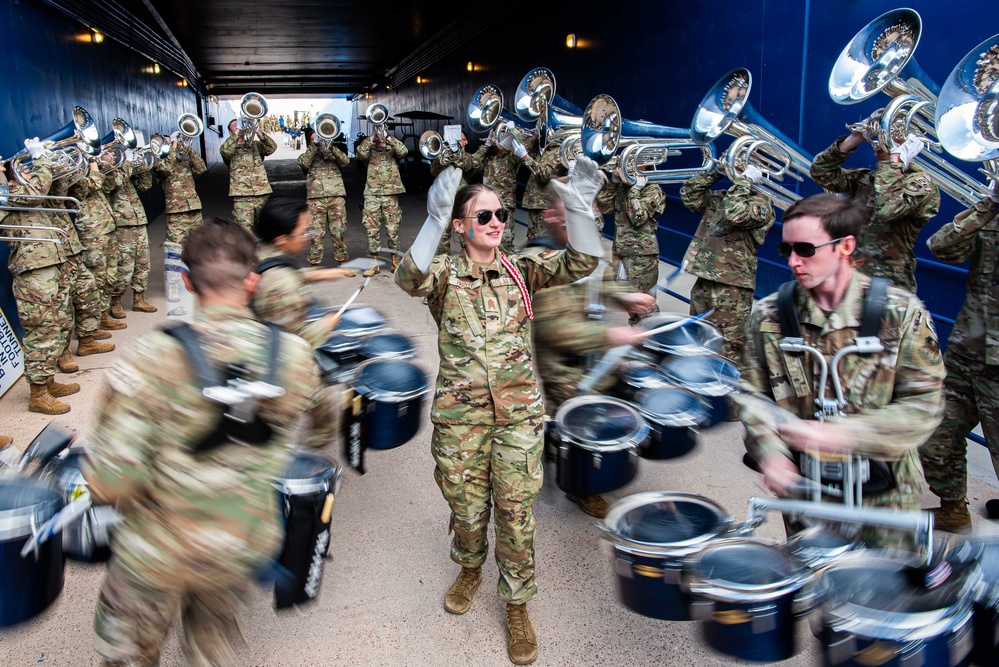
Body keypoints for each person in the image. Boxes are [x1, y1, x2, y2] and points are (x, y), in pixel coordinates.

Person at [82, 217, 324, 665]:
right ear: (253, 280)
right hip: (236, 547)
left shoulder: (149, 358)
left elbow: (111, 480)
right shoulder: (293, 357)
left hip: (156, 552)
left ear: (188, 282)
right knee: (212, 653)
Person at [394, 158, 606, 665]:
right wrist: (433, 219)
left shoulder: (521, 267)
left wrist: (580, 209)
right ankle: (469, 567)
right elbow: (408, 277)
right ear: (462, 224)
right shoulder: (445, 274)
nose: (496, 223)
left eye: (501, 214)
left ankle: (516, 604)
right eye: (484, 216)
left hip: (517, 418)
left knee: (515, 515)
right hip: (461, 419)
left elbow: (583, 261)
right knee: (467, 510)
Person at [737, 193, 944, 548]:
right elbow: (753, 397)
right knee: (814, 585)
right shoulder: (768, 315)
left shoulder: (900, 312)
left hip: (885, 497)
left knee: (885, 590)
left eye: (805, 248)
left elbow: (924, 404)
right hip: (807, 494)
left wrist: (841, 435)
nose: (793, 261)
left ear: (845, 246)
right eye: (786, 250)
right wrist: (771, 454)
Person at [530, 181, 654, 518]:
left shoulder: (585, 247)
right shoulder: (539, 261)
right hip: (563, 361)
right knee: (583, 414)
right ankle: (580, 486)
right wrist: (613, 335)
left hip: (592, 349)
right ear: (551, 217)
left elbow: (605, 279)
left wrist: (626, 296)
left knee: (625, 389)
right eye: (574, 218)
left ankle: (555, 439)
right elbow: (557, 331)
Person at [918, 183, 999, 530]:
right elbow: (941, 246)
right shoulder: (990, 216)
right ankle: (953, 508)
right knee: (936, 429)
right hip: (968, 354)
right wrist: (989, 204)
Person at [810, 115, 940, 293]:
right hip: (853, 279)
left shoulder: (920, 183)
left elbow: (888, 209)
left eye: (890, 132)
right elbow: (821, 172)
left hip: (890, 287)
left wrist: (895, 161)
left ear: (909, 141)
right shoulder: (871, 178)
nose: (881, 137)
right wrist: (853, 140)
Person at [2, 144, 79, 414]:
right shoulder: (7, 192)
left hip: (48, 262)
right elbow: (34, 195)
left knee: (55, 325)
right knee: (40, 330)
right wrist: (41, 161)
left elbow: (46, 194)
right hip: (32, 269)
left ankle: (47, 382)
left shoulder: (13, 187)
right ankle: (37, 394)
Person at [679, 165, 775, 361]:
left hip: (733, 286)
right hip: (706, 278)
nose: (740, 166)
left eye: (747, 163)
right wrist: (716, 171)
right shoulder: (724, 196)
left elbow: (735, 214)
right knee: (697, 339)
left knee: (726, 349)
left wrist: (744, 180)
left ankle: (727, 388)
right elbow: (689, 195)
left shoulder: (762, 204)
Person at [48, 175, 114, 371]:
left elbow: (77, 192)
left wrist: (74, 171)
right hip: (54, 253)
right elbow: (39, 196)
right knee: (62, 306)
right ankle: (63, 353)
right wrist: (43, 167)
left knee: (89, 292)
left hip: (71, 247)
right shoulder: (27, 186)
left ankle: (86, 340)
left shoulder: (52, 181)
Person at [598, 172, 667, 324]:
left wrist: (635, 190)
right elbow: (603, 205)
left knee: (644, 302)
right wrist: (613, 183)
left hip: (641, 253)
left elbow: (638, 217)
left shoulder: (653, 189)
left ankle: (654, 338)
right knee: (630, 300)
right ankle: (639, 335)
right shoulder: (624, 187)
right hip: (621, 249)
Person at [69, 154, 125, 334]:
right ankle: (94, 323)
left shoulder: (91, 171)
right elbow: (91, 185)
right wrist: (93, 164)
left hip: (107, 228)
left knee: (110, 276)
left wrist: (107, 166)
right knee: (97, 279)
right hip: (92, 233)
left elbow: (109, 185)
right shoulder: (74, 172)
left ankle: (102, 316)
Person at [108, 158, 157, 318]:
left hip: (139, 219)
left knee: (143, 262)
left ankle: (139, 299)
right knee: (124, 264)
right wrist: (125, 162)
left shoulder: (125, 169)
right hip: (122, 222)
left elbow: (145, 185)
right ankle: (116, 302)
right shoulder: (107, 168)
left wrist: (143, 167)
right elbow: (116, 181)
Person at [355, 128, 408, 276]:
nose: (380, 135)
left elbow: (403, 151)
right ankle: (373, 264)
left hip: (391, 194)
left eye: (382, 130)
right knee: (371, 230)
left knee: (392, 230)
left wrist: (388, 137)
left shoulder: (393, 149)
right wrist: (372, 137)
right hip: (372, 194)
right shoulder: (369, 150)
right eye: (378, 130)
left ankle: (395, 261)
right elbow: (360, 152)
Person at [298, 130, 351, 267]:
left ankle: (342, 261)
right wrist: (314, 147)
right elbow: (304, 163)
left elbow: (345, 161)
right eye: (313, 138)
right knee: (316, 233)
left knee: (338, 231)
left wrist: (331, 147)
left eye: (320, 136)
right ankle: (314, 264)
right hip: (315, 198)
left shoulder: (334, 154)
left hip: (336, 196)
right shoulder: (306, 156)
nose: (318, 139)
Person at [482, 124, 537, 253]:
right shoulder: (487, 159)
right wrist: (487, 144)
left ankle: (507, 267)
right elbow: (474, 161)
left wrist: (532, 136)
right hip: (487, 205)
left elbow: (523, 146)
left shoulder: (510, 158)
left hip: (504, 205)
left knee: (505, 240)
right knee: (486, 238)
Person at [431, 130, 488, 255]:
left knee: (466, 229)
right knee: (443, 232)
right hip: (444, 198)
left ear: (466, 141)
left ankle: (470, 256)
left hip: (461, 199)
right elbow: (433, 171)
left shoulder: (468, 157)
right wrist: (441, 160)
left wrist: (456, 153)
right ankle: (443, 259)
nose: (456, 141)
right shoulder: (444, 155)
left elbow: (467, 166)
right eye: (453, 138)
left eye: (459, 138)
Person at [220, 119, 277, 230]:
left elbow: (272, 147)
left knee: (268, 229)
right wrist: (238, 131)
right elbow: (225, 151)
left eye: (240, 124)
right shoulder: (229, 149)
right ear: (230, 131)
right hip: (242, 197)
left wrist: (257, 130)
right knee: (244, 232)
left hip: (262, 193)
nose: (239, 126)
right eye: (234, 125)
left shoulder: (255, 145)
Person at [154, 133, 208, 245]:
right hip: (176, 213)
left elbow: (201, 168)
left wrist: (188, 148)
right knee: (176, 247)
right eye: (167, 143)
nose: (171, 144)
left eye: (171, 141)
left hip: (194, 209)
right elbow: (167, 169)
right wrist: (173, 146)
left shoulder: (184, 163)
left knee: (199, 246)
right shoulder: (158, 165)